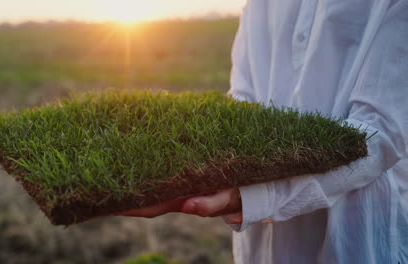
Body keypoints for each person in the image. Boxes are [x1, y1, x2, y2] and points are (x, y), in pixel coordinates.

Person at [118, 0, 408, 263]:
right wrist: (207, 167)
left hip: (356, 245)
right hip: (261, 248)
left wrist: (251, 194)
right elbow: (244, 100)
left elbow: (379, 133)